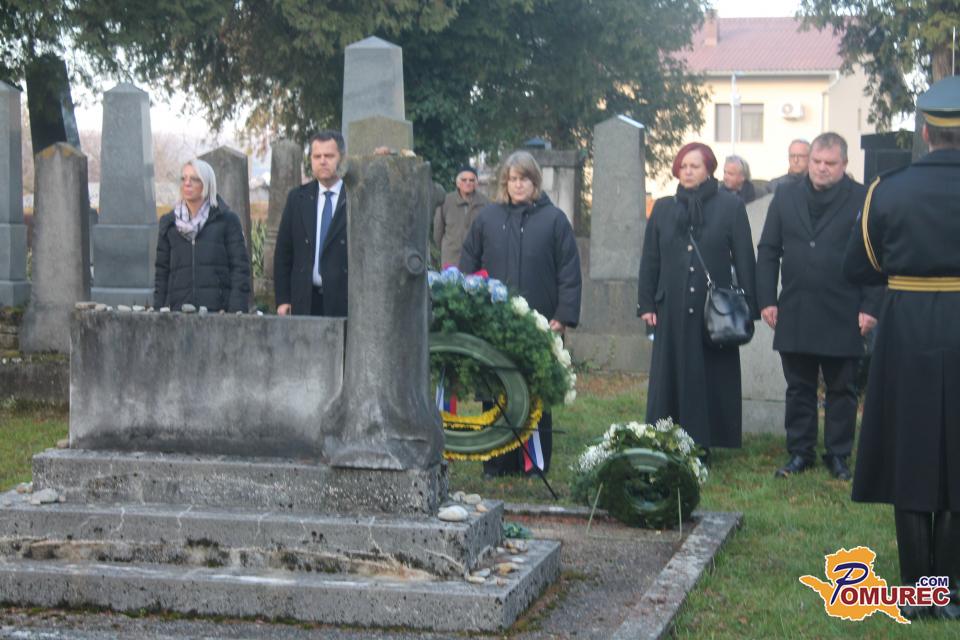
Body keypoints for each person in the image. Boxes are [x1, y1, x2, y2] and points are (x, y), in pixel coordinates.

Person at [843, 76, 960, 620]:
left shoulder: (886, 190)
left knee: (911, 453)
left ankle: (919, 590)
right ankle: (950, 589)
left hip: (906, 327)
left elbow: (858, 266)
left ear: (926, 131)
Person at [756, 132, 881, 481]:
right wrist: (766, 299)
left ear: (844, 164)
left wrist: (871, 306)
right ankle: (800, 452)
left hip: (845, 309)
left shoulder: (863, 198)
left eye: (830, 163)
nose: (822, 168)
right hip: (796, 306)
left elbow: (877, 255)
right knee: (799, 387)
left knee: (842, 389)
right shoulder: (785, 196)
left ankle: (838, 455)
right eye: (816, 161)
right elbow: (768, 250)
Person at [460, 151, 581, 476]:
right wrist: (469, 306)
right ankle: (496, 461)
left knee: (533, 389)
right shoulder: (488, 218)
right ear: (505, 182)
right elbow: (469, 262)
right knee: (495, 388)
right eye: (512, 179)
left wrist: (563, 315)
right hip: (494, 322)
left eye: (524, 179)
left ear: (535, 182)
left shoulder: (554, 220)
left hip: (539, 322)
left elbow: (569, 271)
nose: (518, 185)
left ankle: (533, 462)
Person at [638, 142, 757, 453]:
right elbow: (650, 258)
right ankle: (666, 436)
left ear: (709, 170)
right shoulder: (663, 208)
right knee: (670, 374)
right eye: (683, 166)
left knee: (711, 374)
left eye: (695, 166)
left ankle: (704, 440)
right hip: (671, 307)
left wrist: (749, 306)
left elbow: (744, 257)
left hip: (712, 311)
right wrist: (646, 303)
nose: (688, 171)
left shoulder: (730, 207)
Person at [154, 158, 251, 312]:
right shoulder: (169, 223)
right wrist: (158, 311)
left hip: (218, 312)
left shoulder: (227, 220)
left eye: (194, 179)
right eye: (184, 178)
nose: (187, 183)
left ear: (206, 184)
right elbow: (161, 273)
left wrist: (235, 310)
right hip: (177, 312)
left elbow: (240, 269)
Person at [273, 130, 348, 317]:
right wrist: (283, 299)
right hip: (304, 299)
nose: (322, 161)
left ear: (341, 158)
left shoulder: (354, 198)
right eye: (317, 156)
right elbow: (283, 252)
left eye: (329, 156)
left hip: (344, 301)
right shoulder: (297, 199)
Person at [434, 166, 489, 268]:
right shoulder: (446, 201)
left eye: (471, 180)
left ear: (476, 183)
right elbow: (438, 231)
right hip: (451, 258)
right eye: (464, 180)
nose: (468, 183)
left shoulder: (485, 203)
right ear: (457, 183)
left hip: (477, 259)